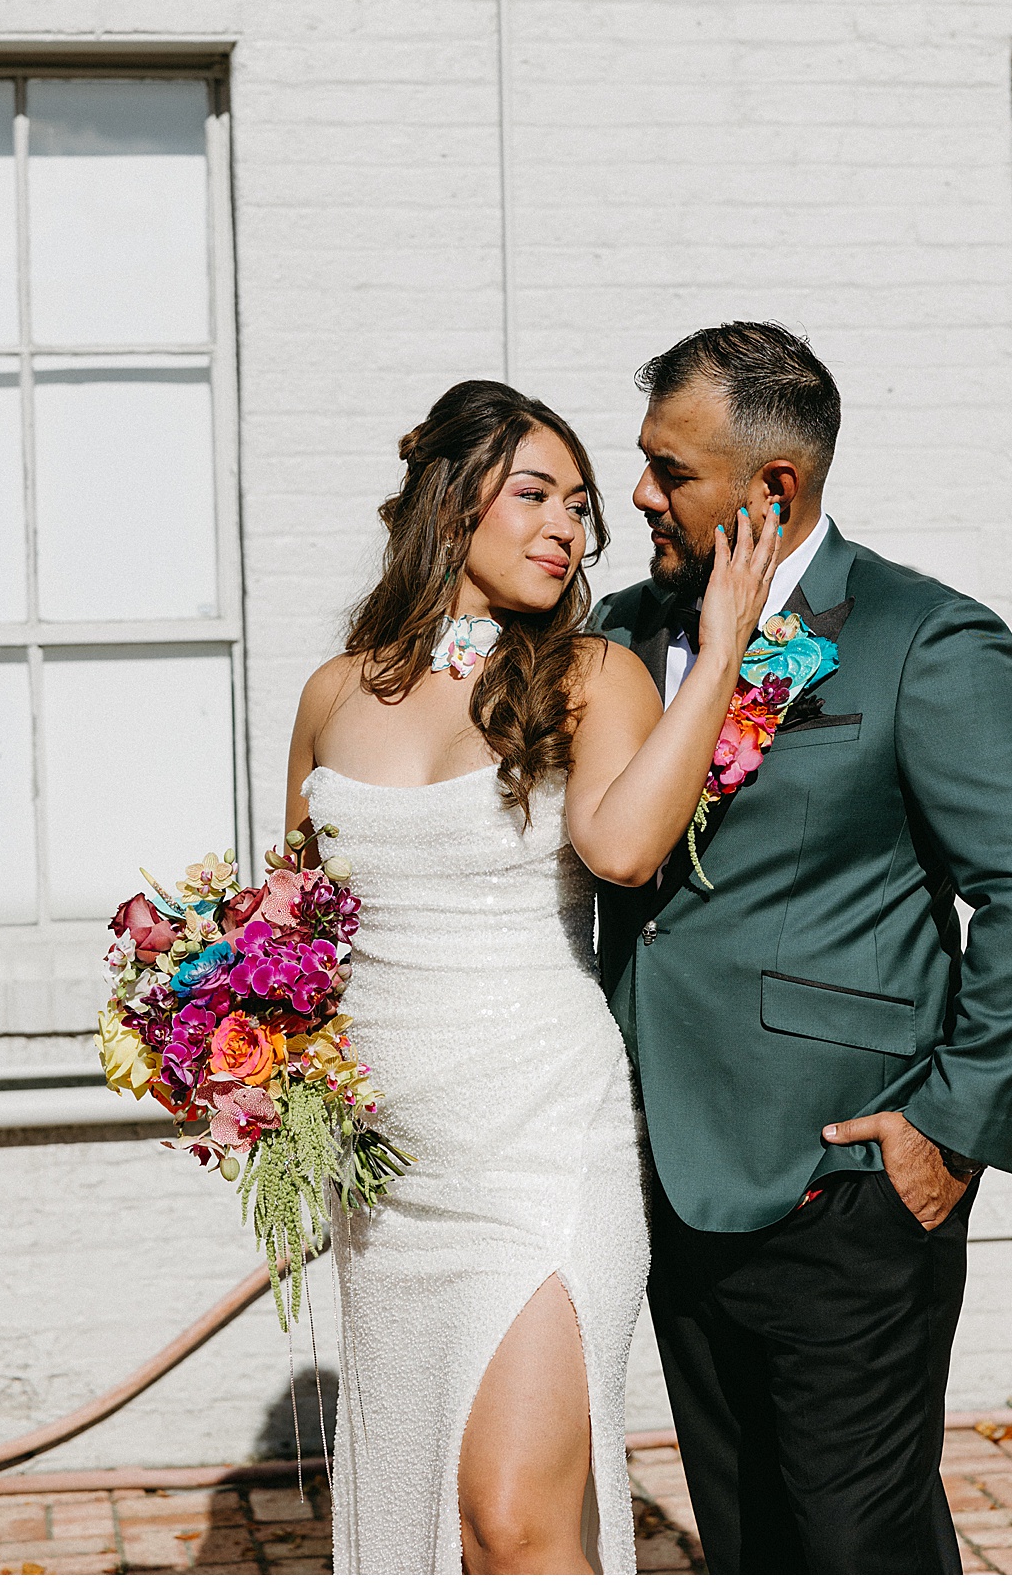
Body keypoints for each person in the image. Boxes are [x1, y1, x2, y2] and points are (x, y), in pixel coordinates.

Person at [589, 320, 1012, 1574]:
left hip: (846, 1182)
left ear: (774, 488)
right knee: (748, 1530)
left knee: (855, 1538)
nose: (640, 492)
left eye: (671, 468)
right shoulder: (619, 630)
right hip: (658, 1166)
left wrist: (958, 1121)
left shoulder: (921, 636)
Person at [283, 379, 783, 1574]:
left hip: (542, 1143)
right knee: (438, 1523)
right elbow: (285, 935)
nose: (567, 525)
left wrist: (719, 653)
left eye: (581, 506)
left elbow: (621, 848)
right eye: (535, 494)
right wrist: (219, 1044)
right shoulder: (330, 693)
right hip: (390, 1177)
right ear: (451, 505)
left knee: (515, 1519)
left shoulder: (593, 676)